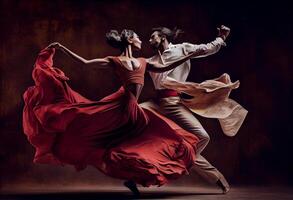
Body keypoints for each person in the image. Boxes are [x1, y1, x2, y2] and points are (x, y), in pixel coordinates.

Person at [22, 29, 209, 196]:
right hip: (118, 105)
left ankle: (133, 177)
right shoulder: (114, 61)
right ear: (129, 40)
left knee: (155, 139)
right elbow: (86, 63)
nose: (141, 41)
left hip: (133, 109)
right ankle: (82, 147)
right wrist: (62, 49)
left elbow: (165, 67)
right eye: (137, 38)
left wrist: (190, 55)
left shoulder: (143, 61)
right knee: (89, 125)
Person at [141, 25, 247, 194]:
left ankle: (205, 172)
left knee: (202, 137)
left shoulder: (182, 48)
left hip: (174, 104)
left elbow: (206, 49)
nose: (149, 40)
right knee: (131, 114)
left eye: (153, 36)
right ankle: (136, 173)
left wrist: (221, 38)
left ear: (162, 37)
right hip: (156, 105)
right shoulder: (151, 60)